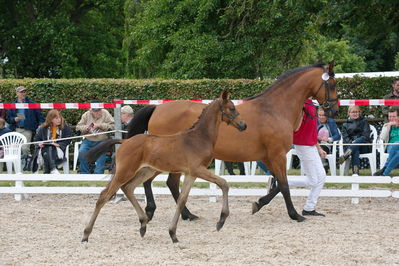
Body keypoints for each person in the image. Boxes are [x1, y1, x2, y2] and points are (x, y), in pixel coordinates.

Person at [289, 99, 327, 217]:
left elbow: (312, 130)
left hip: (311, 145)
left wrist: (319, 148)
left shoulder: (311, 103)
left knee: (321, 177)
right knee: (312, 180)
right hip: (303, 145)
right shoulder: (300, 103)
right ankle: (281, 181)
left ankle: (309, 208)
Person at [76, 105, 114, 174]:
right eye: (96, 111)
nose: (98, 112)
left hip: (102, 140)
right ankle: (84, 173)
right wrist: (87, 128)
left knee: (101, 153)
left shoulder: (106, 113)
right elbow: (78, 127)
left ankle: (98, 174)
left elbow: (112, 126)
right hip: (88, 140)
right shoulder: (86, 115)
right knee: (82, 151)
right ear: (91, 111)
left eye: (99, 110)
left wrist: (100, 125)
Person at [6, 86, 44, 156]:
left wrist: (41, 124)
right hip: (15, 129)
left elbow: (40, 116)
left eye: (24, 92)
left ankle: (27, 166)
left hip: (27, 129)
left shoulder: (32, 104)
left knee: (25, 148)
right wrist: (14, 119)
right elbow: (8, 118)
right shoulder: (12, 104)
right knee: (16, 149)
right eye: (21, 92)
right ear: (17, 93)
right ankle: (19, 166)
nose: (23, 94)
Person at [31, 110, 72, 174]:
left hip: (58, 150)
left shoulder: (65, 127)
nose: (59, 120)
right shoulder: (43, 128)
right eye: (56, 118)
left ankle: (48, 172)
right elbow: (36, 140)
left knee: (49, 148)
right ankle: (53, 169)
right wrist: (39, 144)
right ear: (51, 119)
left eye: (60, 118)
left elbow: (68, 139)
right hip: (44, 150)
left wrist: (58, 144)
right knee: (48, 148)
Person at [338, 106, 371, 175]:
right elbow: (345, 138)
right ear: (349, 113)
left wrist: (355, 141)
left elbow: (366, 136)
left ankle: (345, 156)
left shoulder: (364, 121)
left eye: (357, 112)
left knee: (359, 140)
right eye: (353, 112)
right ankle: (355, 173)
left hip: (363, 146)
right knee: (355, 150)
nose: (355, 113)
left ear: (359, 113)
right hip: (350, 146)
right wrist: (352, 142)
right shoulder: (345, 125)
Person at [374, 106, 399, 176]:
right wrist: (388, 127)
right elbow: (382, 138)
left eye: (394, 116)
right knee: (396, 144)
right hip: (391, 147)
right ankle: (385, 172)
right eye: (390, 116)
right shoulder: (387, 125)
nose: (391, 118)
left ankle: (384, 171)